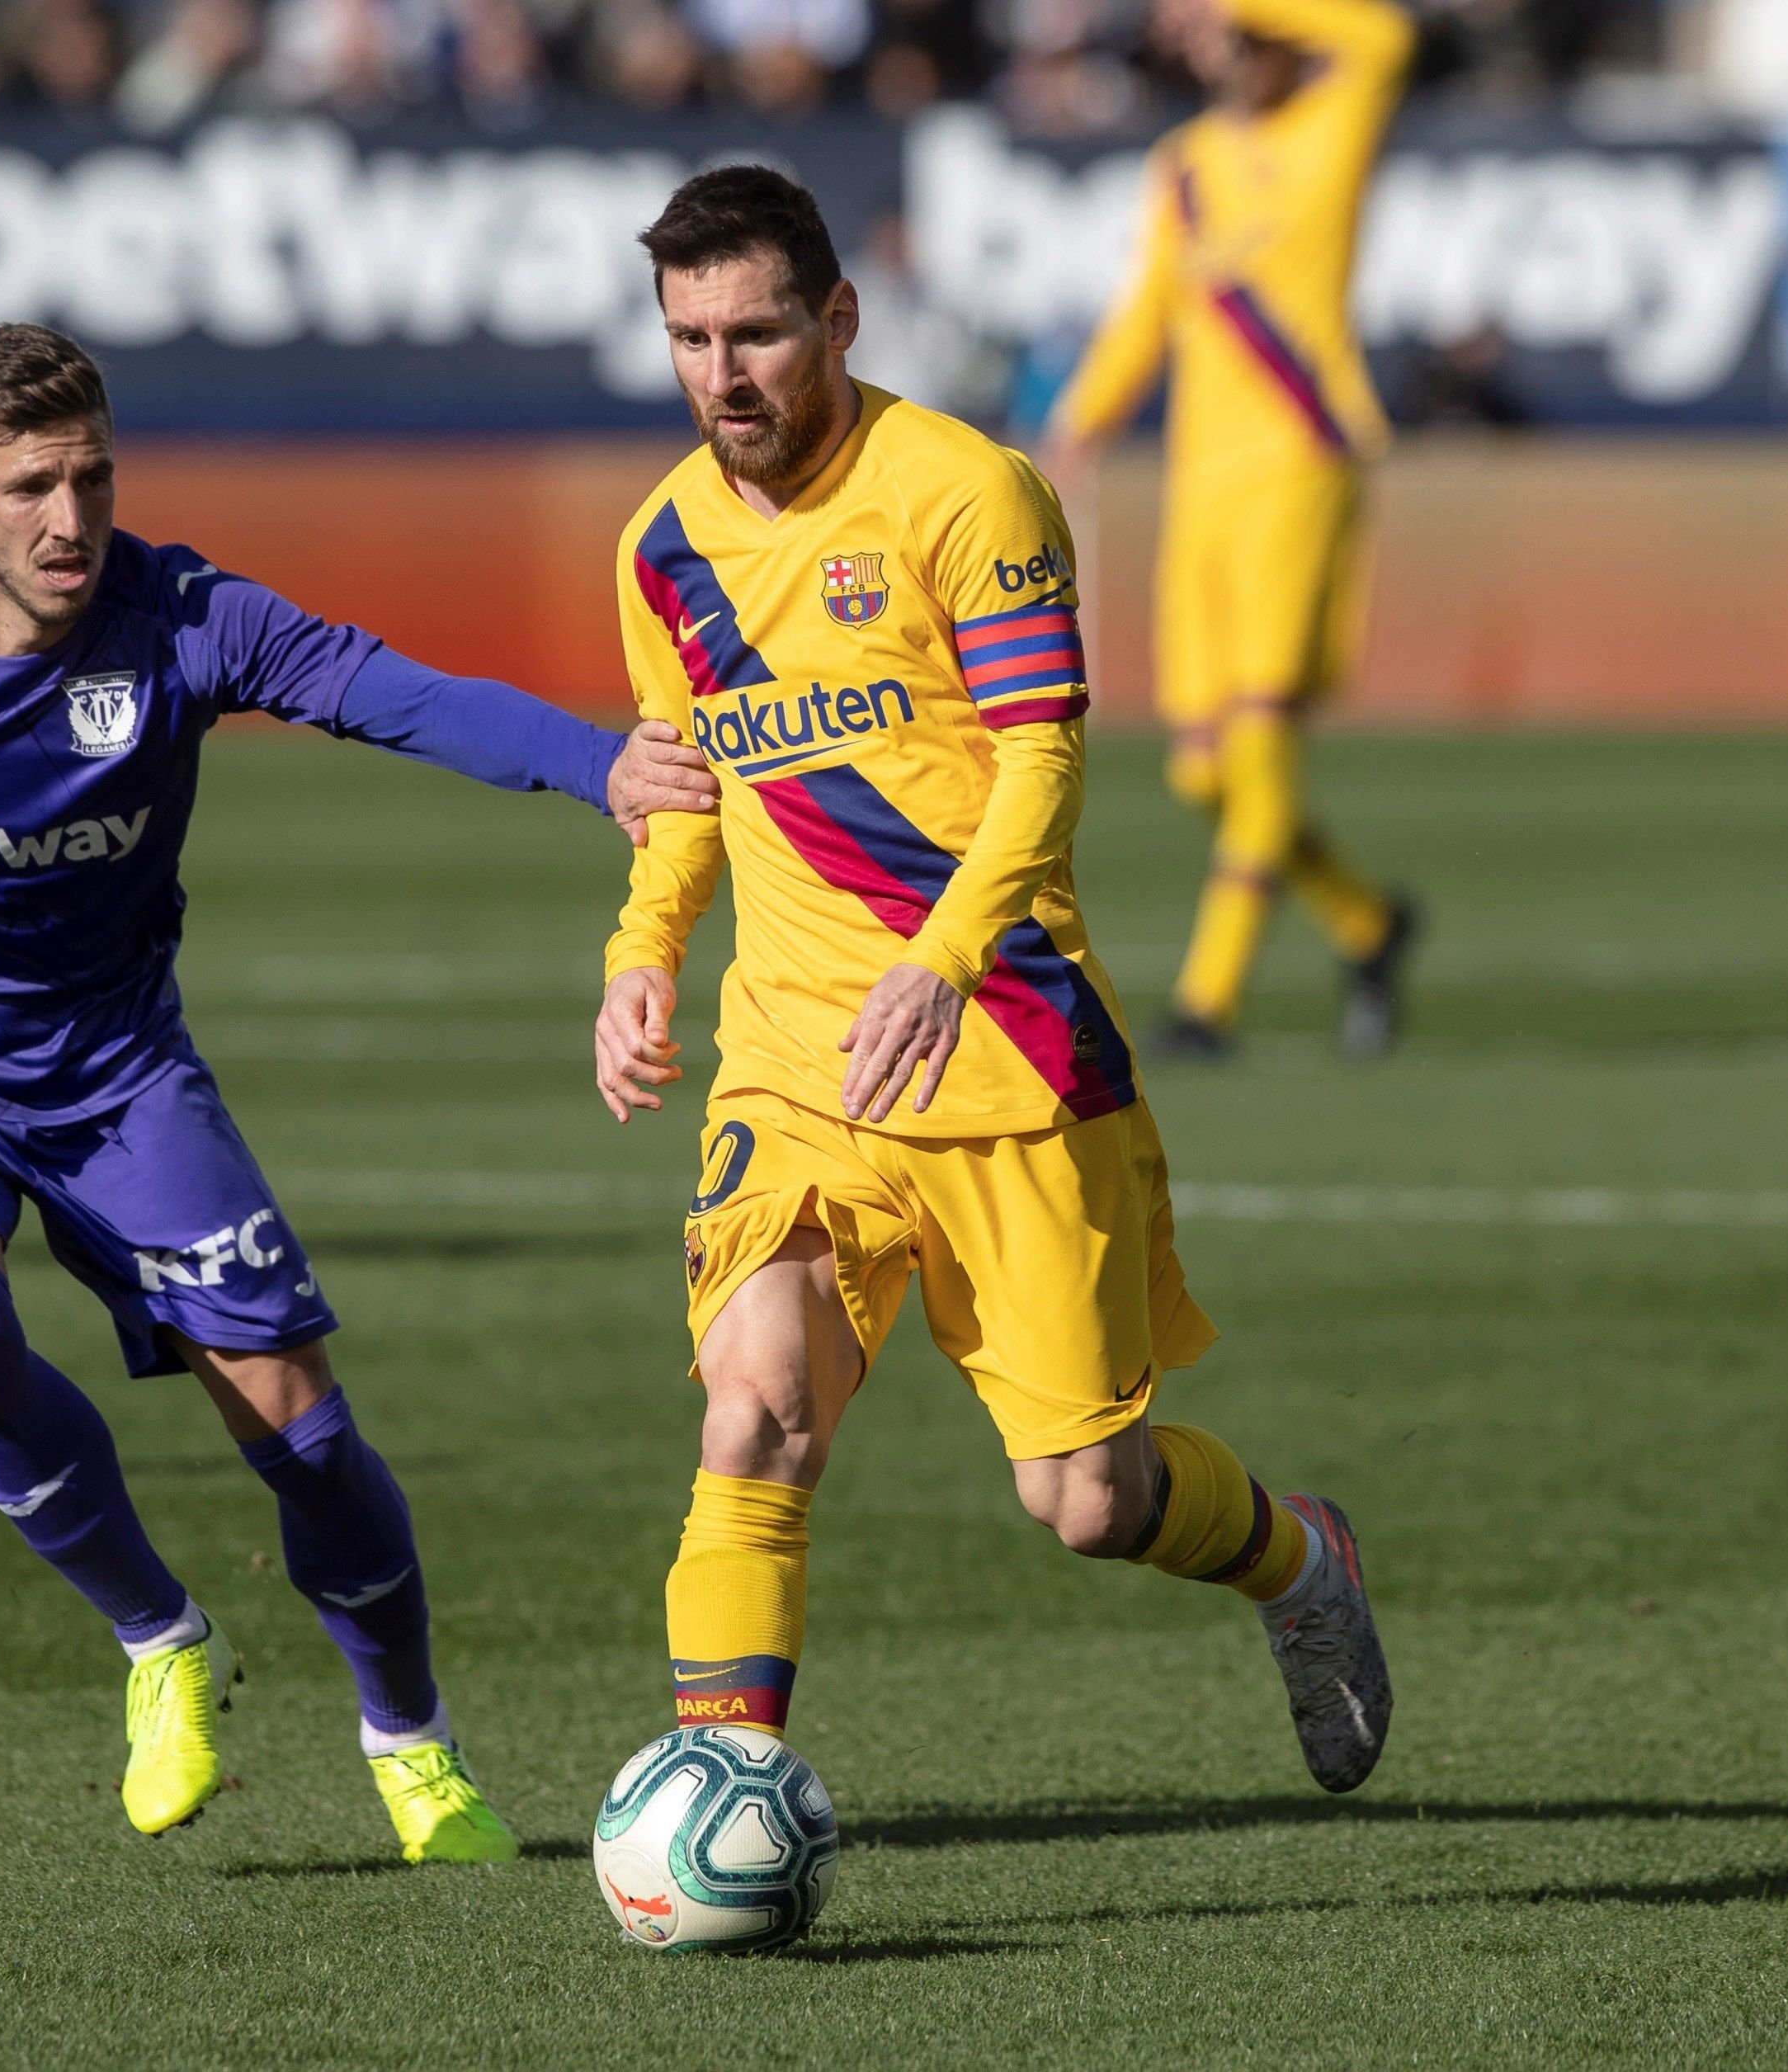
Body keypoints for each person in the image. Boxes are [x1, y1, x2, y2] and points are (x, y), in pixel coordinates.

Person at [0, 323, 719, 1859]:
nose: (70, 519)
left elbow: (382, 685)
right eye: (29, 485)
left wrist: (596, 764)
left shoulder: (182, 620)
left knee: (297, 1428)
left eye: (93, 477)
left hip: (114, 1074)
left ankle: (411, 1741)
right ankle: (162, 1637)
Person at [592, 167, 1389, 1794]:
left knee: (1087, 1501)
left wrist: (944, 961)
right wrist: (640, 956)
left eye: (755, 332)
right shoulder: (660, 548)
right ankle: (715, 1799)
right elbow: (683, 790)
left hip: (1005, 1048)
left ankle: (1299, 1564)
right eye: (688, 338)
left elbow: (1040, 763)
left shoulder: (967, 492)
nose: (721, 374)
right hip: (795, 1059)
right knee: (751, 1413)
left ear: (838, 319)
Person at [1042, 0, 1419, 1062]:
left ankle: (1208, 1002)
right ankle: (1366, 922)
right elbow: (1146, 311)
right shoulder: (1188, 164)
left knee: (1258, 736)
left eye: (1246, 34)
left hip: (1302, 465)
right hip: (1200, 487)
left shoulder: (1329, 128)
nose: (1233, 53)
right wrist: (1078, 425)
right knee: (1202, 771)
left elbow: (1385, 40)